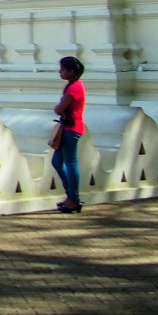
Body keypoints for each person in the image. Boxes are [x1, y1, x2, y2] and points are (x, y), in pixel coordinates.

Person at [52, 56, 87, 214]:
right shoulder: (72, 86)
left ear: (71, 71)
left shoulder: (74, 88)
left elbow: (59, 109)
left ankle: (74, 199)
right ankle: (71, 196)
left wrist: (58, 107)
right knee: (57, 162)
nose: (60, 72)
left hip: (71, 129)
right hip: (67, 129)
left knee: (71, 164)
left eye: (63, 69)